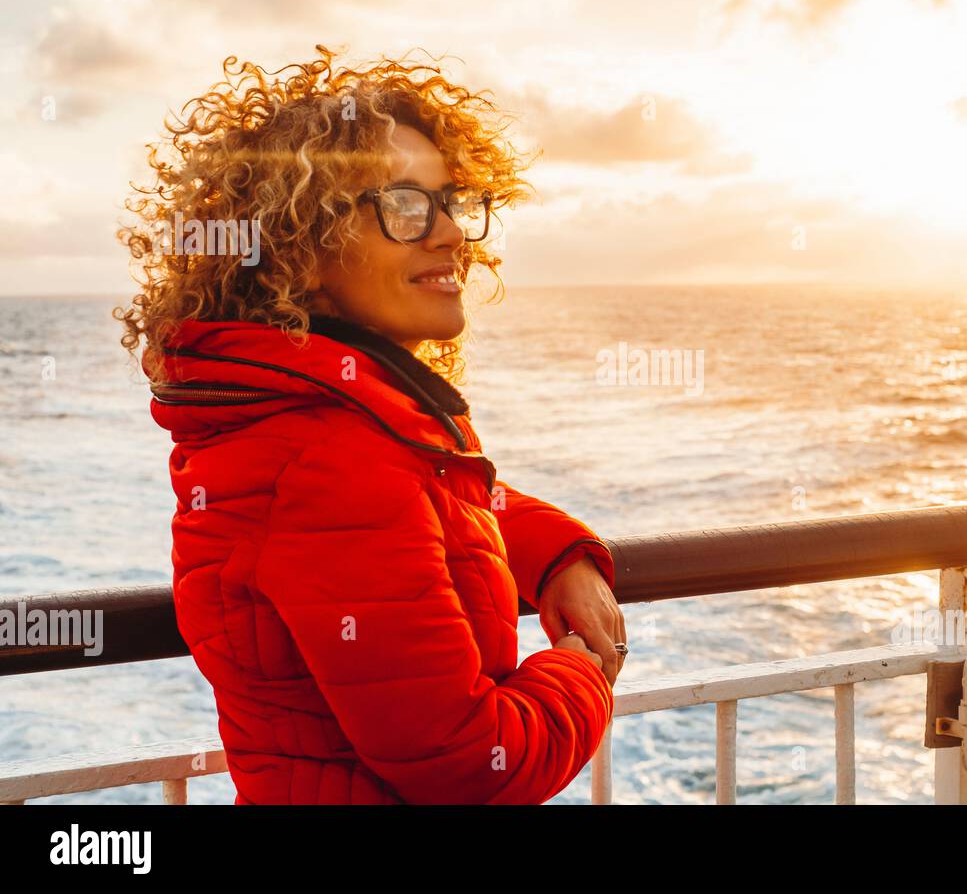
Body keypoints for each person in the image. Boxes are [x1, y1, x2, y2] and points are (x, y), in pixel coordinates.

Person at [114, 46, 628, 804]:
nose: (452, 232)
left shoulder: (314, 421)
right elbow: (470, 763)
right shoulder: (329, 460)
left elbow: (432, 502)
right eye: (405, 206)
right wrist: (585, 665)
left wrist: (556, 553)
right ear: (300, 250)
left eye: (451, 202)